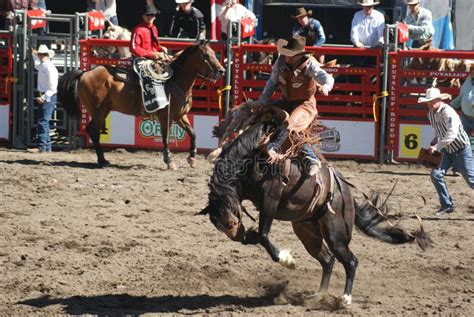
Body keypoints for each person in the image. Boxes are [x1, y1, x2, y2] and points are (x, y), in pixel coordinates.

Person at [249, 35, 334, 175]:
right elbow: (272, 82)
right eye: (287, 54)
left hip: (305, 104)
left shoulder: (309, 65)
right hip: (285, 101)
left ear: (300, 55)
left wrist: (326, 86)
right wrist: (263, 101)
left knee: (292, 125)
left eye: (292, 55)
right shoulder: (280, 62)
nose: (288, 57)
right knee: (259, 114)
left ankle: (311, 158)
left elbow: (326, 77)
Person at [417, 87, 474, 216]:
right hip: (446, 150)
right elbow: (439, 130)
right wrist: (435, 140)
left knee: (472, 180)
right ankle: (446, 205)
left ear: (439, 100)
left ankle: (446, 205)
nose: (430, 104)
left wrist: (436, 146)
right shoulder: (431, 114)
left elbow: (452, 134)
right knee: (435, 175)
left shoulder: (449, 112)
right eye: (428, 101)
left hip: (461, 149)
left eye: (432, 101)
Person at [27, 45, 58, 153]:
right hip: (47, 95)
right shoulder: (45, 65)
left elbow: (53, 88)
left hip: (47, 95)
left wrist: (44, 97)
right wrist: (34, 54)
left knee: (43, 121)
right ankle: (45, 146)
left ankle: (43, 147)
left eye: (40, 54)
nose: (39, 56)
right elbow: (37, 64)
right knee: (44, 120)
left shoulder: (47, 67)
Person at [451, 66, 474, 136]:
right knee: (463, 142)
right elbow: (461, 97)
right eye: (471, 69)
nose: (472, 72)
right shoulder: (468, 80)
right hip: (465, 117)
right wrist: (451, 105)